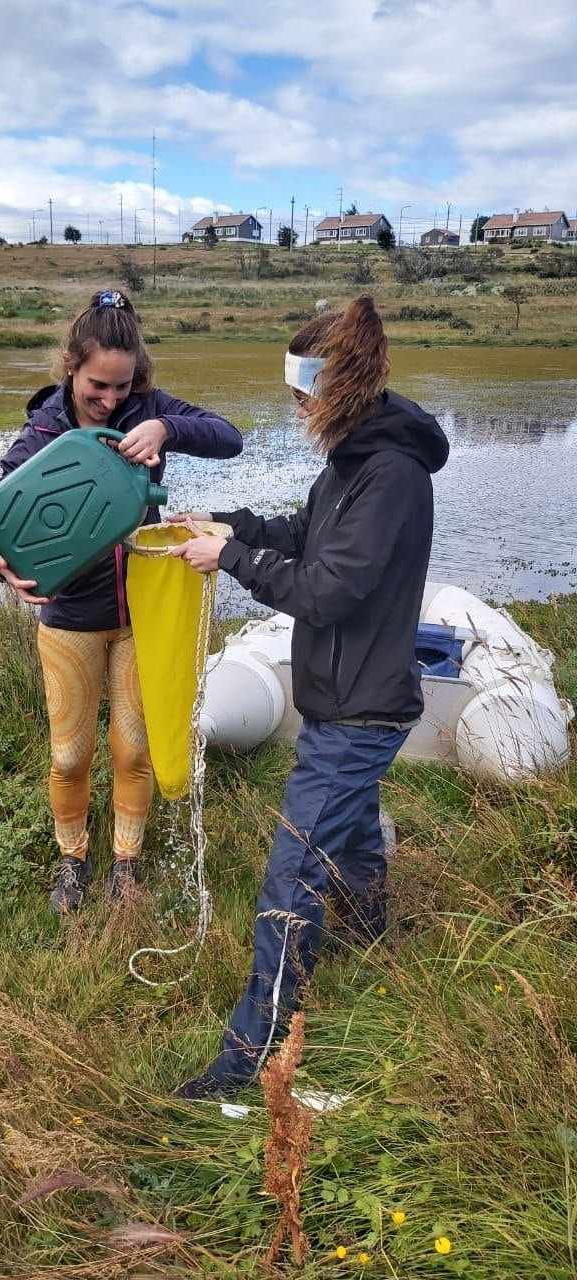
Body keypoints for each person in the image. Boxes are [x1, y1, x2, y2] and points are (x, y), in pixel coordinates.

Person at [169, 294, 449, 1097]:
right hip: (342, 696)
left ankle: (248, 1058)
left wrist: (230, 561)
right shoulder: (355, 459)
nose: (297, 411)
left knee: (291, 875)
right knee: (351, 832)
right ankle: (371, 931)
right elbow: (303, 533)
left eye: (302, 397)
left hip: (362, 709)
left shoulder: (391, 474)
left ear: (335, 388)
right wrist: (223, 523)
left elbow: (329, 589)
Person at [0, 289, 242, 914]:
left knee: (133, 748)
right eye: (98, 385)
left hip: (139, 617)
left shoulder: (149, 409)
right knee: (69, 755)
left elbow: (230, 437)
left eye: (123, 387)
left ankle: (125, 867)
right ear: (70, 365)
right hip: (68, 617)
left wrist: (164, 425)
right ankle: (73, 862)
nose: (111, 399)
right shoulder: (45, 430)